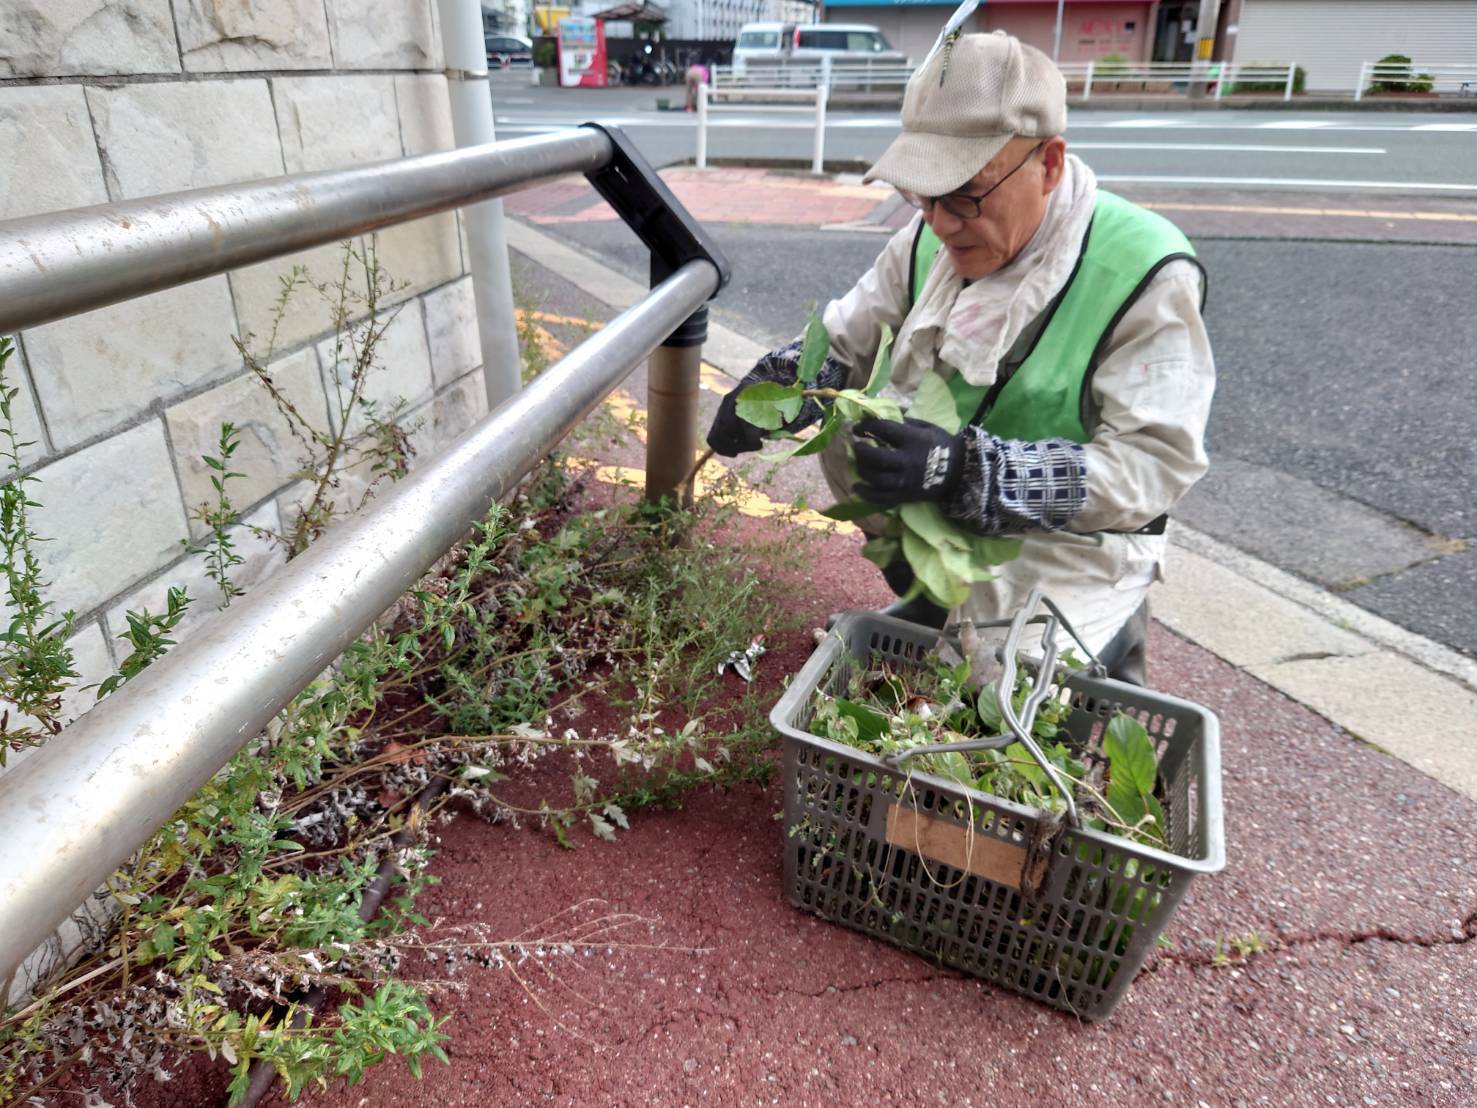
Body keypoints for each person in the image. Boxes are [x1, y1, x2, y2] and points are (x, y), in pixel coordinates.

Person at [704, 31, 1215, 686]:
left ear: (1049, 164)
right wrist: (790, 380)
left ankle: (1103, 645)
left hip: (1070, 540)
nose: (940, 224)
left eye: (965, 193)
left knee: (990, 701)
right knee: (851, 430)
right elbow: (848, 337)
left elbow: (1151, 466)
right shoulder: (930, 234)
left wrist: (968, 469)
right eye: (923, 194)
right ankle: (933, 599)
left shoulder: (1144, 270)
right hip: (945, 506)